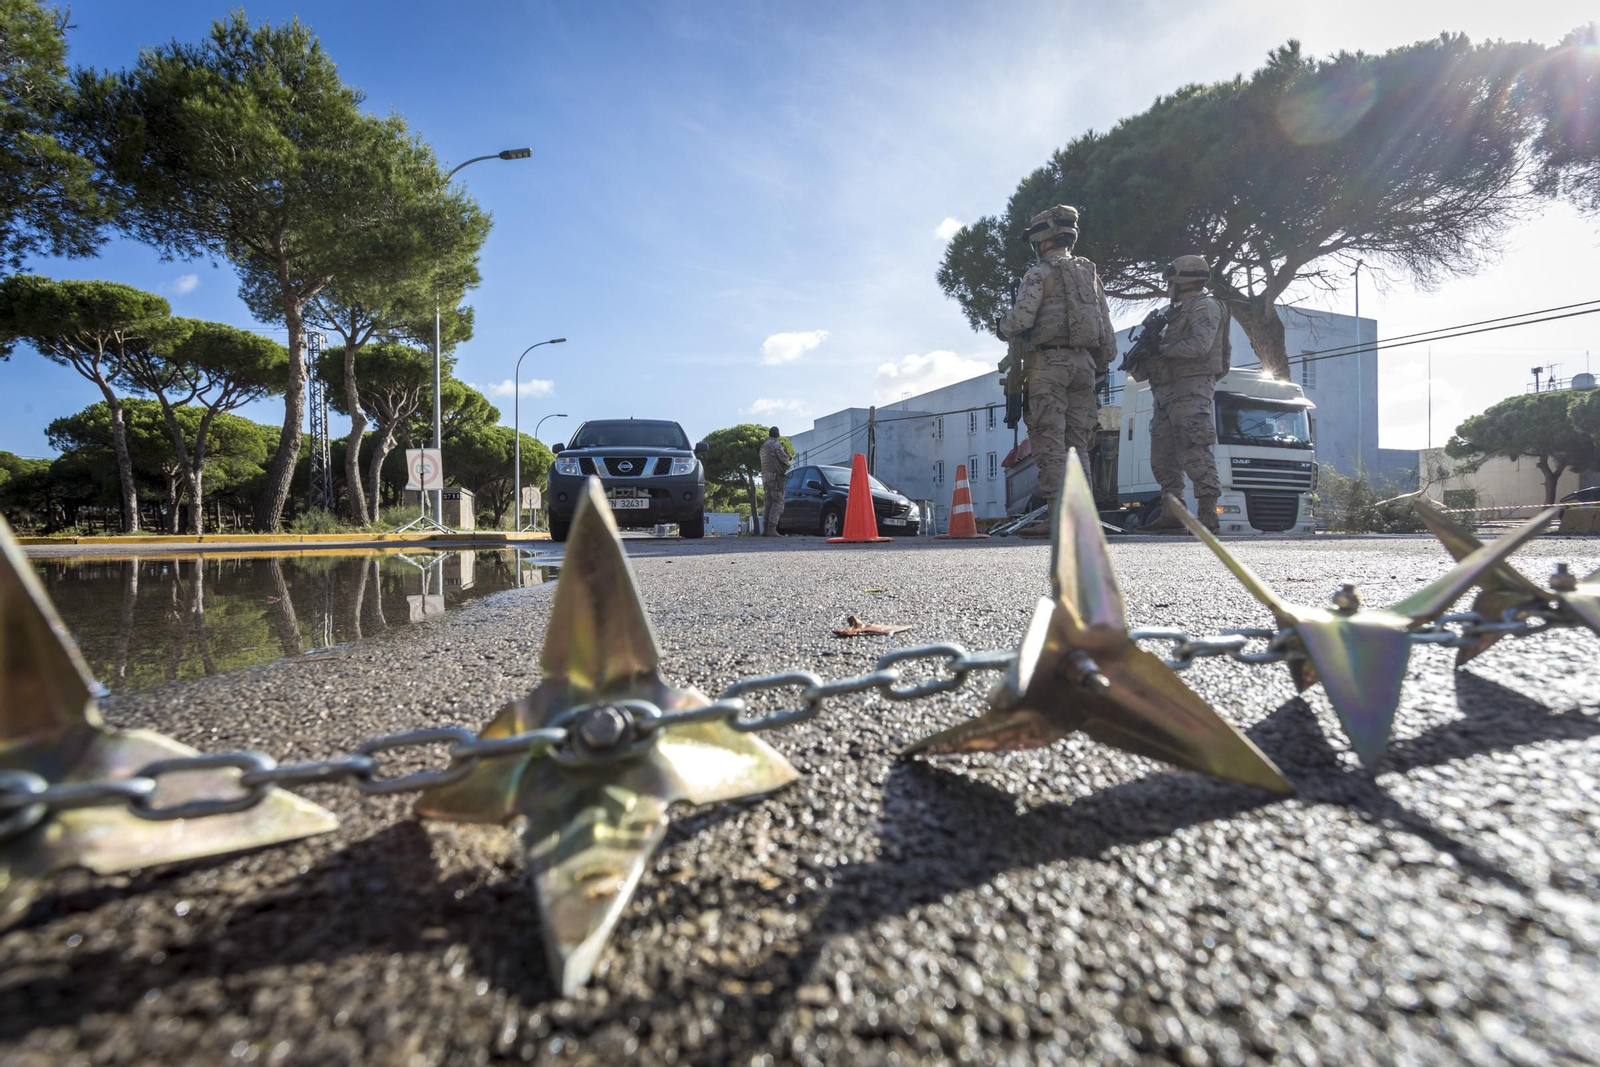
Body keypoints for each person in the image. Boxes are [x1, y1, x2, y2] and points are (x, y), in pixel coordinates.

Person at [995, 204, 1116, 505]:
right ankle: (1083, 515)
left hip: (1049, 365)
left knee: (1050, 443)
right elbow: (1108, 333)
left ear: (1045, 239)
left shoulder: (1038, 274)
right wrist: (1097, 366)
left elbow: (1021, 320)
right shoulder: (1090, 276)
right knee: (1079, 447)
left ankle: (1058, 517)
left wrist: (1001, 325)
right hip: (1084, 366)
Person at [1142, 254, 1228, 534]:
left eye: (1170, 282)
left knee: (1194, 449)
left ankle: (1207, 515)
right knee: (1163, 457)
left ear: (1183, 282)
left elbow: (1200, 345)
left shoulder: (1205, 306)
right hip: (1166, 390)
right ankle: (1173, 513)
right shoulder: (1175, 312)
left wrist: (1163, 350)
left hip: (1191, 388)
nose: (1167, 288)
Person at [758, 426, 790, 536]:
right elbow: (784, 459)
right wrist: (788, 458)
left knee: (768, 503)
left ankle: (766, 528)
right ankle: (772, 528)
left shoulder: (763, 447)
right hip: (775, 478)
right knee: (777, 502)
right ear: (778, 434)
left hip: (765, 478)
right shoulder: (776, 445)